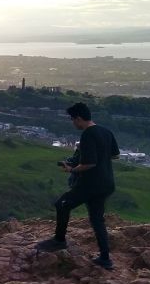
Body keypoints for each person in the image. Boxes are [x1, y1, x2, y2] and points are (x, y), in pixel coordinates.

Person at [37, 103, 120, 270]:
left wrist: (71, 169)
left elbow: (89, 164)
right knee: (97, 220)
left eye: (72, 119)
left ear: (79, 118)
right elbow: (115, 155)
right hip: (106, 183)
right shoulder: (105, 131)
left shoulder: (88, 134)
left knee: (61, 204)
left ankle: (59, 240)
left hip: (90, 184)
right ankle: (105, 259)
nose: (72, 123)